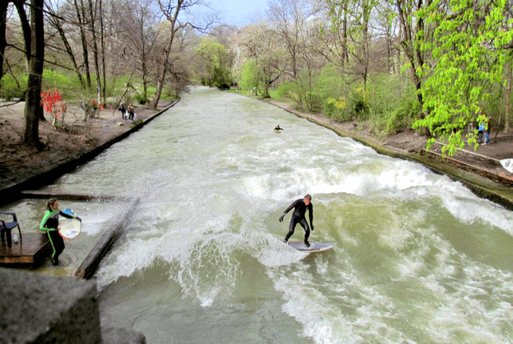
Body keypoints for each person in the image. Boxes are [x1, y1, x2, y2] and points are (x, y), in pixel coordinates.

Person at [40, 198, 81, 265]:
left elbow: (65, 215)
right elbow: (41, 227)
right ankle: (54, 262)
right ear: (51, 206)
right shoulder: (48, 214)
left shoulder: (57, 210)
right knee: (56, 249)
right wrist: (52, 229)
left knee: (62, 246)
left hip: (58, 231)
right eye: (56, 204)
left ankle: (56, 259)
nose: (58, 205)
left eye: (57, 203)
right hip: (51, 233)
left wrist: (75, 217)